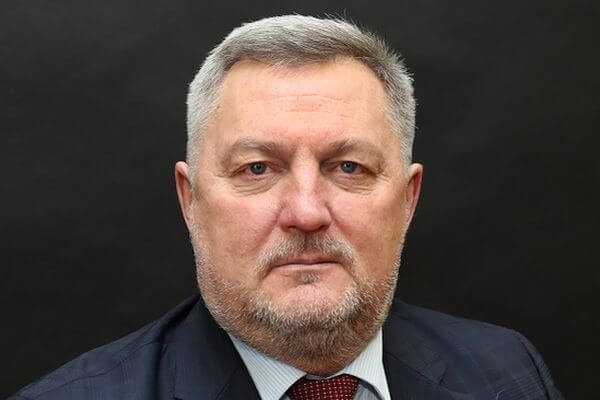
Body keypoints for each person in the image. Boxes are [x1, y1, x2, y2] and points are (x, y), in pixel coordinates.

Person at [10, 15, 563, 400]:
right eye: (258, 169)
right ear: (191, 200)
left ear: (408, 199)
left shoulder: (509, 373)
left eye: (349, 167)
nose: (306, 212)